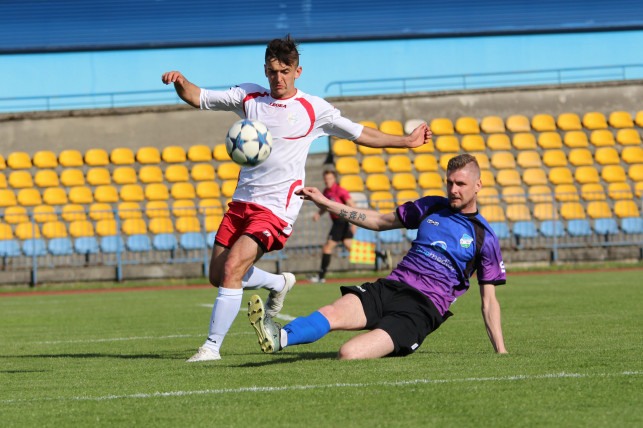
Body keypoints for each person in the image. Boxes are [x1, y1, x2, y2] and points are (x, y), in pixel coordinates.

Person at [161, 34, 432, 362]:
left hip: (276, 208)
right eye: (273, 71)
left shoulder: (313, 108)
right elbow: (197, 97)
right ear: (265, 70)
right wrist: (180, 81)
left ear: (297, 71)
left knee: (233, 267)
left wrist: (406, 141)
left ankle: (211, 348)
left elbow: (361, 133)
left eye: (285, 71)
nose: (279, 78)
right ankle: (277, 283)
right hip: (242, 202)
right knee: (218, 275)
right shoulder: (249, 97)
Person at [248, 154, 507, 359]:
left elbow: (489, 301)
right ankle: (279, 337)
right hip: (389, 287)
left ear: (478, 185)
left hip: (420, 309)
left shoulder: (485, 236)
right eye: (449, 182)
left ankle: (393, 339)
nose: (453, 189)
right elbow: (379, 220)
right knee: (331, 313)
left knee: (348, 353)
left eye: (460, 184)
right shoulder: (432, 206)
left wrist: (501, 351)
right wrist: (327, 203)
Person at [309, 169, 357, 283]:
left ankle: (321, 276)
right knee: (350, 246)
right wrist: (318, 214)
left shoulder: (340, 191)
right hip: (338, 223)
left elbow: (352, 205)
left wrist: (354, 223)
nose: (327, 181)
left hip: (341, 222)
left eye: (330, 178)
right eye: (326, 179)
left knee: (327, 248)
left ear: (334, 179)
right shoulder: (326, 191)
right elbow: (326, 206)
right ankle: (381, 255)